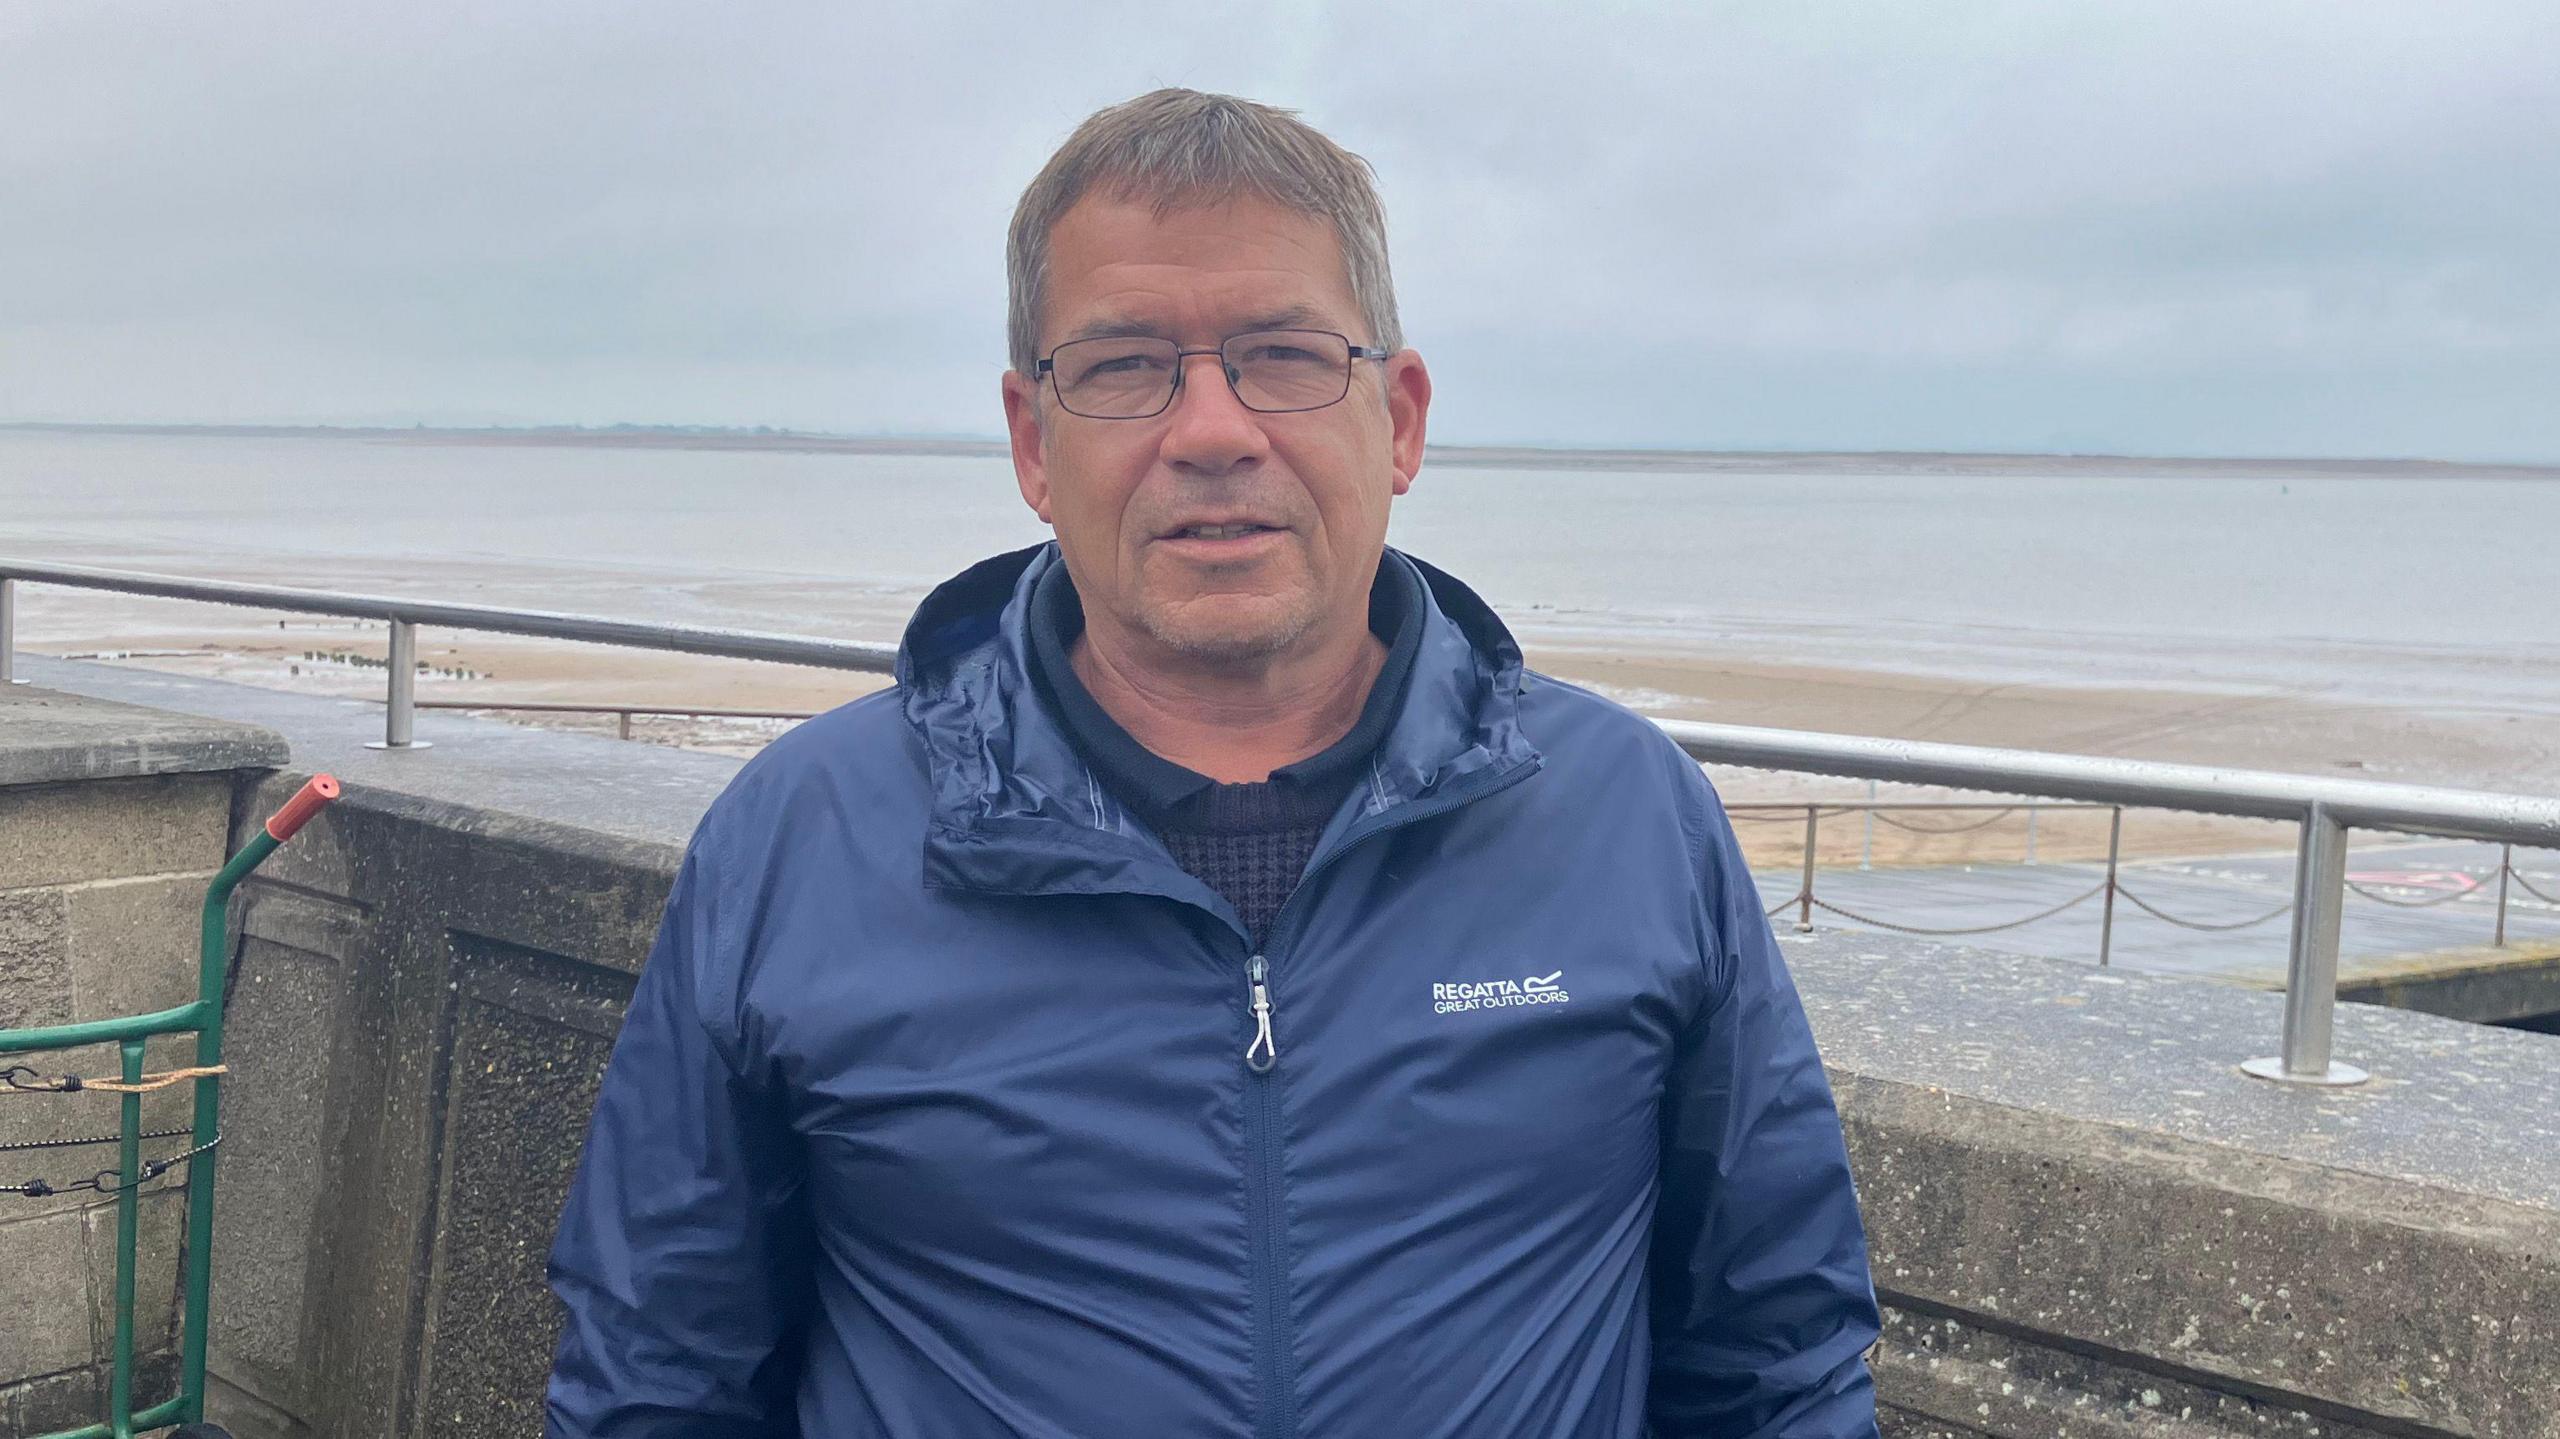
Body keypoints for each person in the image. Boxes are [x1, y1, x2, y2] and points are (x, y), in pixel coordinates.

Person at [545, 87, 1881, 1438]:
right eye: (1125, 366)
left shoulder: (1626, 816)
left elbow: (1776, 1359)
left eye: (1283, 356)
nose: (1212, 430)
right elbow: (657, 1371)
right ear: (1032, 443)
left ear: (1400, 420)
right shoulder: (805, 837)